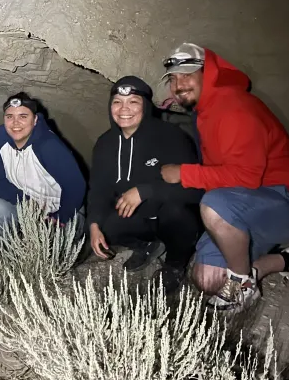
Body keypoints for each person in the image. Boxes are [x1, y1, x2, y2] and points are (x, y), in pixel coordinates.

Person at [159, 43, 289, 311]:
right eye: (173, 78)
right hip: (253, 203)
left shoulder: (235, 108)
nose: (179, 84)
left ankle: (243, 285)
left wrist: (183, 174)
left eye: (187, 74)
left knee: (214, 206)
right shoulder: (206, 112)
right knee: (207, 279)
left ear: (209, 72)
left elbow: (245, 177)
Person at [87, 77, 203, 292]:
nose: (124, 109)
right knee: (106, 225)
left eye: (133, 102)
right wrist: (93, 224)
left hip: (170, 214)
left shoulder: (171, 136)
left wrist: (145, 191)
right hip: (139, 217)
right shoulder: (105, 143)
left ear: (146, 106)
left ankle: (175, 265)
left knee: (178, 213)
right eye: (117, 102)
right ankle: (147, 246)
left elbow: (196, 191)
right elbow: (99, 190)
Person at [0, 92, 86, 238]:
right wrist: (27, 204)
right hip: (27, 205)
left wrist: (59, 216)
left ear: (35, 120)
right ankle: (10, 255)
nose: (15, 122)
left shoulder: (48, 145)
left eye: (23, 116)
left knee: (63, 243)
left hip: (62, 207)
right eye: (9, 117)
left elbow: (76, 186)